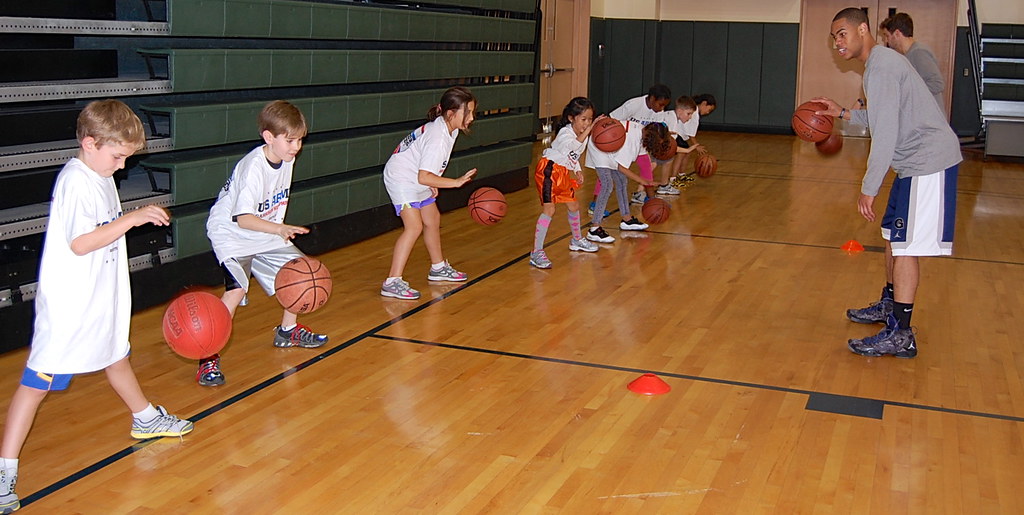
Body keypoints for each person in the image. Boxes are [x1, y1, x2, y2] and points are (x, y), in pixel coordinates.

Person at [0, 100, 194, 512]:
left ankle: (145, 418)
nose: (122, 165)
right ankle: (4, 471)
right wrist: (134, 217)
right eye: (118, 156)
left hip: (99, 295)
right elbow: (81, 242)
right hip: (71, 306)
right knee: (36, 385)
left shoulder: (100, 173)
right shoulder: (76, 181)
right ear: (90, 143)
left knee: (115, 355)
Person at [813, 7, 961, 358]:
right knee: (894, 239)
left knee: (906, 247)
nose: (837, 43)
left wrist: (869, 185)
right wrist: (844, 113)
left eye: (842, 34)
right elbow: (886, 117)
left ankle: (902, 334)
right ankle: (890, 305)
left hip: (928, 162)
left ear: (863, 30)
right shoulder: (880, 65)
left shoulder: (881, 68)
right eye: (833, 38)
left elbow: (886, 134)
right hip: (913, 163)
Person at [202, 100, 327, 387]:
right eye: (290, 140)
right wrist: (280, 228)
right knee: (235, 292)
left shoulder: (287, 158)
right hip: (232, 234)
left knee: (300, 275)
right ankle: (208, 358)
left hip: (265, 230)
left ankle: (287, 331)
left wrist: (275, 230)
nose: (296, 147)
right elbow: (244, 218)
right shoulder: (253, 169)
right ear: (269, 137)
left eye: (300, 140)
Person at [380, 86, 478, 300]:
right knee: (414, 226)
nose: (472, 117)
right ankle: (392, 281)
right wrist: (453, 182)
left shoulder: (447, 128)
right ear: (451, 114)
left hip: (415, 175)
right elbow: (424, 176)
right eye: (468, 112)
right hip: (401, 178)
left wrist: (434, 179)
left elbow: (426, 169)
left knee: (432, 219)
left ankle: (438, 268)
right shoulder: (438, 136)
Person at [530, 97, 601, 269]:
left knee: (574, 206)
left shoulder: (580, 135)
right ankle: (536, 252)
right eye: (583, 119)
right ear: (571, 118)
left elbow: (572, 156)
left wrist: (577, 170)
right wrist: (590, 130)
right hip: (548, 170)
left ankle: (576, 240)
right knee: (550, 209)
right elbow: (572, 147)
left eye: (590, 120)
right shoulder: (565, 133)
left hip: (561, 172)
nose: (587, 123)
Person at [588, 84, 672, 213]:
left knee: (646, 166)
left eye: (664, 106)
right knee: (607, 172)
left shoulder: (658, 115)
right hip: (618, 139)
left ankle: (651, 199)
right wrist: (608, 139)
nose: (662, 108)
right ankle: (595, 203)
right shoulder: (633, 105)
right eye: (660, 104)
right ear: (652, 99)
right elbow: (611, 120)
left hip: (640, 139)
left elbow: (657, 131)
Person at [584, 122, 669, 244]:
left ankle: (627, 220)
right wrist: (642, 181)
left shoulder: (643, 133)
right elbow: (621, 167)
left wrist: (647, 182)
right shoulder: (632, 141)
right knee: (607, 185)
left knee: (622, 181)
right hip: (600, 146)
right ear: (652, 139)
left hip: (608, 143)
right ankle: (594, 228)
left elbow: (642, 161)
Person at [880, 12, 945, 110]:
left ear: (897, 34)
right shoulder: (907, 55)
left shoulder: (918, 52)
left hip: (928, 121)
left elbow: (937, 84)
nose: (886, 41)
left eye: (887, 36)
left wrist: (905, 92)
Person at [657, 96, 704, 194]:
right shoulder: (671, 120)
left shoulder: (673, 118)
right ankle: (661, 186)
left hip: (652, 140)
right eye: (689, 114)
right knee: (660, 160)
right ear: (679, 111)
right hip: (643, 139)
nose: (690, 117)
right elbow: (671, 147)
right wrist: (686, 150)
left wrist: (687, 150)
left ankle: (662, 186)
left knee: (664, 160)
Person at [669, 94, 717, 188]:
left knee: (687, 152)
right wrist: (696, 146)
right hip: (675, 133)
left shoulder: (694, 112)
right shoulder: (694, 112)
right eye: (709, 109)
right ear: (704, 103)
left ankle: (681, 175)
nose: (708, 112)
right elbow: (691, 134)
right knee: (681, 153)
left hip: (680, 134)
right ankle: (673, 178)